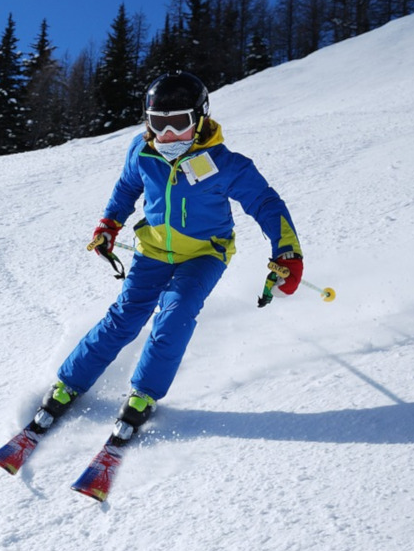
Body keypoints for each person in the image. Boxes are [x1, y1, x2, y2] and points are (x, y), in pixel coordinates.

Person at [33, 71, 304, 445]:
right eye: (159, 124)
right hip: (153, 250)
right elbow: (127, 187)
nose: (169, 134)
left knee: (175, 315)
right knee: (124, 316)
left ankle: (143, 394)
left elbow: (265, 203)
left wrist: (287, 253)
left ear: (200, 118)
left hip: (205, 253)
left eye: (180, 122)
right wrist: (109, 224)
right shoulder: (142, 151)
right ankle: (69, 383)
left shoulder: (226, 164)